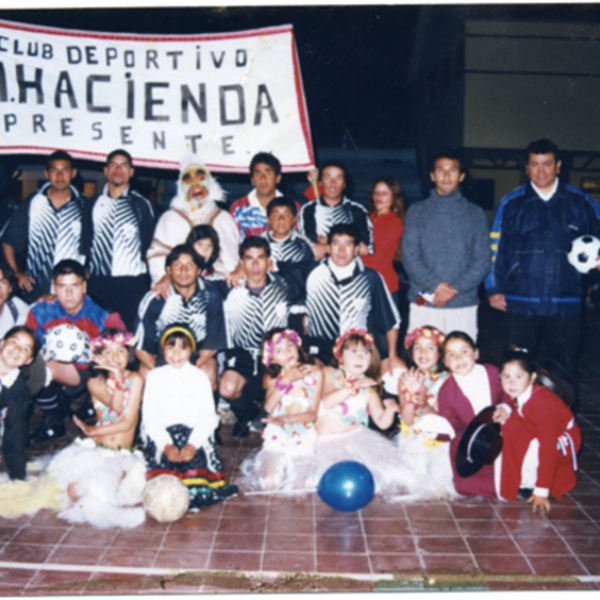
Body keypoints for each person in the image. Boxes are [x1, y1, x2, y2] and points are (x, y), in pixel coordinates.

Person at [486, 138, 600, 388]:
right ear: (526, 168)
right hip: (520, 304)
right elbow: (496, 248)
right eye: (534, 165)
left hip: (565, 305)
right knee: (515, 371)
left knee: (564, 373)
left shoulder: (581, 203)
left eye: (547, 164)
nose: (541, 171)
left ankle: (562, 426)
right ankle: (516, 424)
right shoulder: (512, 203)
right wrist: (493, 288)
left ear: (558, 166)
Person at [26, 260, 126, 444]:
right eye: (62, 286)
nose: (69, 293)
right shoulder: (41, 311)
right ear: (54, 288)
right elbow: (28, 345)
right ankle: (54, 418)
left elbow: (125, 348)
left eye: (75, 286)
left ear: (84, 286)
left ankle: (87, 401)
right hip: (58, 369)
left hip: (93, 372)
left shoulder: (103, 313)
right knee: (30, 359)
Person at [308, 329, 416, 495]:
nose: (360, 357)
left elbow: (382, 422)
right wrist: (352, 386)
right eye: (353, 352)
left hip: (356, 439)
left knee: (386, 477)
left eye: (366, 353)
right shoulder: (329, 374)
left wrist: (389, 410)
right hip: (324, 442)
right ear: (340, 357)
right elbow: (325, 402)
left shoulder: (368, 389)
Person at [141, 325, 238, 510]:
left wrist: (193, 444)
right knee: (163, 486)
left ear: (191, 350)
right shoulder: (154, 377)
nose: (176, 353)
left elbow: (208, 417)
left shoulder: (200, 377)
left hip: (193, 437)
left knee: (195, 485)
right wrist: (166, 444)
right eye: (171, 347)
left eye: (182, 348)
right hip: (164, 438)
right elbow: (150, 417)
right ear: (163, 350)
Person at [402, 149, 490, 342]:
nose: (447, 175)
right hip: (422, 301)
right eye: (441, 170)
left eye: (453, 170)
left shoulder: (475, 214)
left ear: (462, 176)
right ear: (433, 176)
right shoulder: (417, 211)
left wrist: (451, 290)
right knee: (422, 364)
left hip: (462, 303)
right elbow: (410, 257)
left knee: (460, 367)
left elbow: (482, 262)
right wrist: (436, 287)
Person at [219, 236, 300, 438]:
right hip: (243, 354)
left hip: (275, 355)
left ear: (268, 261)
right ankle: (245, 415)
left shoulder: (285, 285)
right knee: (227, 388)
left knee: (279, 383)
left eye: (260, 258)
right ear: (241, 262)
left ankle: (265, 415)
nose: (255, 265)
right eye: (249, 259)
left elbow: (306, 266)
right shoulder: (228, 287)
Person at [304, 224, 402, 370]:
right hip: (319, 351)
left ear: (356, 249)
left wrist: (393, 356)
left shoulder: (370, 277)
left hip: (355, 350)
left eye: (348, 244)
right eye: (336, 244)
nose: (341, 250)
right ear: (329, 248)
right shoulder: (312, 274)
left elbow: (391, 321)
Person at [494, 350, 581, 515]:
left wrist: (542, 491)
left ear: (532, 378)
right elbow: (513, 403)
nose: (512, 383)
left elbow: (547, 448)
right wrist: (505, 407)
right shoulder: (521, 392)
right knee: (509, 425)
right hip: (536, 427)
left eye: (518, 377)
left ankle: (534, 483)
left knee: (537, 445)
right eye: (506, 377)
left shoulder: (542, 403)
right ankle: (518, 478)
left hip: (564, 439)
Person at [238, 328, 324, 491]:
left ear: (297, 346)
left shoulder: (316, 373)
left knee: (299, 486)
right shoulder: (271, 377)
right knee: (270, 482)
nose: (287, 352)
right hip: (277, 435)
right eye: (279, 350)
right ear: (272, 359)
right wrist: (286, 380)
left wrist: (284, 419)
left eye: (289, 345)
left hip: (303, 435)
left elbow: (312, 413)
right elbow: (268, 408)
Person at [82, 149, 155, 331]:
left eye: (124, 166)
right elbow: (85, 240)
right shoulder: (92, 204)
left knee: (131, 333)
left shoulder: (141, 205)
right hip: (98, 281)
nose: (118, 170)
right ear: (105, 170)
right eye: (113, 165)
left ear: (131, 172)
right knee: (96, 333)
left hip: (131, 283)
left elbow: (149, 242)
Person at [135, 245, 226, 388]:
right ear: (168, 270)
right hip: (162, 357)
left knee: (207, 373)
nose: (184, 270)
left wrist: (188, 370)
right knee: (145, 374)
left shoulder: (212, 296)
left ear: (199, 271)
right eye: (177, 265)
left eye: (190, 265)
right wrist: (162, 370)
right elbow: (140, 347)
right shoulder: (154, 299)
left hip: (198, 356)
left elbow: (212, 344)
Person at [1, 150, 86, 304]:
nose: (60, 176)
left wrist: (87, 272)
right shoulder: (32, 203)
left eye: (65, 170)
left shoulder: (85, 205)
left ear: (73, 173)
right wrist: (16, 273)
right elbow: (9, 240)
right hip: (36, 291)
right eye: (54, 170)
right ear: (46, 174)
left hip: (71, 293)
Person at [436, 331, 513, 498]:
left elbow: (510, 393)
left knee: (511, 470)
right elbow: (449, 426)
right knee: (465, 486)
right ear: (445, 362)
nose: (459, 358)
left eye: (464, 351)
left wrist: (505, 407)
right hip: (469, 446)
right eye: (451, 354)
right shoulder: (447, 391)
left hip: (500, 437)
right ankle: (500, 485)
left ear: (475, 353)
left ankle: (509, 483)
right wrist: (435, 431)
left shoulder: (492, 373)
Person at [147, 155, 239, 285]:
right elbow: (157, 258)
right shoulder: (170, 219)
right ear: (181, 188)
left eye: (201, 179)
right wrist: (164, 278)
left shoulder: (224, 219)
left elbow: (232, 261)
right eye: (189, 181)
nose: (196, 184)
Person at [396, 326, 455, 496]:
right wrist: (410, 398)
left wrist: (424, 405)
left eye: (430, 347)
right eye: (417, 347)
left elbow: (442, 419)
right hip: (414, 435)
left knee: (442, 479)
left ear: (440, 353)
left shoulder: (448, 378)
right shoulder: (405, 378)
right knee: (415, 479)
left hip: (441, 435)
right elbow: (406, 420)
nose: (423, 353)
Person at [73, 328, 143, 449]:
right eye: (108, 352)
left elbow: (126, 423)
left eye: (121, 350)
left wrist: (93, 430)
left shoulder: (135, 379)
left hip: (119, 452)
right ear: (99, 356)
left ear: (129, 354)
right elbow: (116, 406)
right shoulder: (94, 382)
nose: (115, 357)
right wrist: (117, 376)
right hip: (95, 447)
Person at [298, 161, 373, 260]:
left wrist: (325, 243)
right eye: (327, 178)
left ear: (345, 184)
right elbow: (309, 248)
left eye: (338, 178)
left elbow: (365, 248)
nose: (333, 183)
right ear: (320, 183)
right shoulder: (308, 210)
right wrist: (346, 246)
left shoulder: (357, 210)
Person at [0, 326, 39, 481]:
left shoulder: (18, 388)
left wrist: (18, 477)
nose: (17, 350)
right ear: (2, 342)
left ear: (29, 360)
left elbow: (15, 431)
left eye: (25, 349)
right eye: (14, 342)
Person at [229, 152, 286, 239]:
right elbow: (233, 245)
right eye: (257, 174)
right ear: (252, 180)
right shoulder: (238, 209)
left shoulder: (293, 208)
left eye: (268, 173)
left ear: (278, 178)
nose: (263, 178)